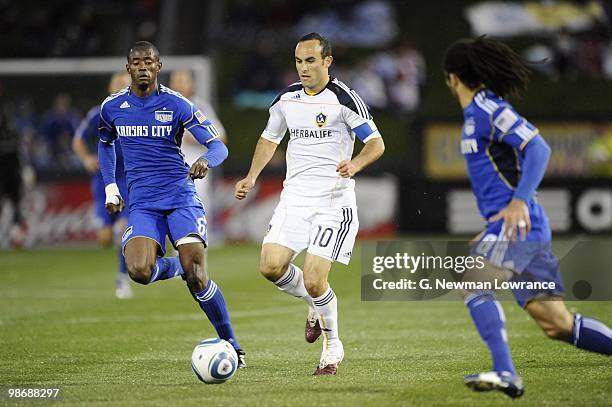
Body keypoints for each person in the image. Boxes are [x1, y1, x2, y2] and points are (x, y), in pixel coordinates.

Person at [443, 36, 612, 398]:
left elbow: (538, 146)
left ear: (453, 77)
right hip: (514, 225)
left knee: (472, 277)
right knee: (557, 324)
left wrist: (518, 202)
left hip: (521, 224)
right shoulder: (476, 115)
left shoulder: (487, 109)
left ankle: (506, 372)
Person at [234, 32, 385, 375]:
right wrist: (252, 176)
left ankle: (333, 347)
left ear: (327, 61)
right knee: (270, 266)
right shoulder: (287, 99)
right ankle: (314, 305)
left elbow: (376, 144)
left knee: (318, 280)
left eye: (311, 60)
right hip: (295, 199)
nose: (303, 68)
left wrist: (355, 164)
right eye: (299, 61)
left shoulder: (345, 99)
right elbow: (269, 138)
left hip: (333, 201)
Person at [98, 41, 245, 367]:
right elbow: (105, 144)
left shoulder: (178, 105)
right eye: (136, 62)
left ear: (158, 66)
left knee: (197, 275)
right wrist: (111, 187)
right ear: (128, 68)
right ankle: (176, 266)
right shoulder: (112, 108)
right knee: (139, 270)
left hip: (180, 198)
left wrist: (207, 159)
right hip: (142, 204)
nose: (143, 67)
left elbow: (219, 146)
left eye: (149, 61)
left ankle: (232, 342)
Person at [73, 72, 133, 299]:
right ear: (109, 87)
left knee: (124, 229)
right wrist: (86, 158)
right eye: (117, 83)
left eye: (124, 84)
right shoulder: (98, 112)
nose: (120, 87)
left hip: (129, 179)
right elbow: (77, 140)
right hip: (104, 180)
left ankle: (122, 277)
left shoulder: (136, 112)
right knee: (105, 239)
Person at [169, 70, 226, 245]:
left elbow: (221, 137)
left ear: (191, 84)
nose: (179, 84)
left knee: (196, 214)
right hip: (167, 170)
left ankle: (196, 256)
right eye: (176, 80)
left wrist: (194, 138)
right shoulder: (161, 106)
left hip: (195, 170)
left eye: (183, 80)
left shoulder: (200, 107)